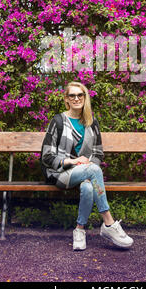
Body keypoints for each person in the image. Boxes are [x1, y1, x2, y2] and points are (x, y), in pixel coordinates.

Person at [40, 81, 133, 251]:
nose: (76, 98)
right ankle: (108, 222)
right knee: (94, 170)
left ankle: (79, 230)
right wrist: (72, 162)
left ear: (85, 98)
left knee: (89, 187)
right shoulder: (58, 121)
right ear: (66, 99)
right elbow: (46, 155)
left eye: (80, 95)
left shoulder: (92, 122)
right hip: (60, 173)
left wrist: (89, 167)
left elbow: (97, 153)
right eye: (72, 95)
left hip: (87, 172)